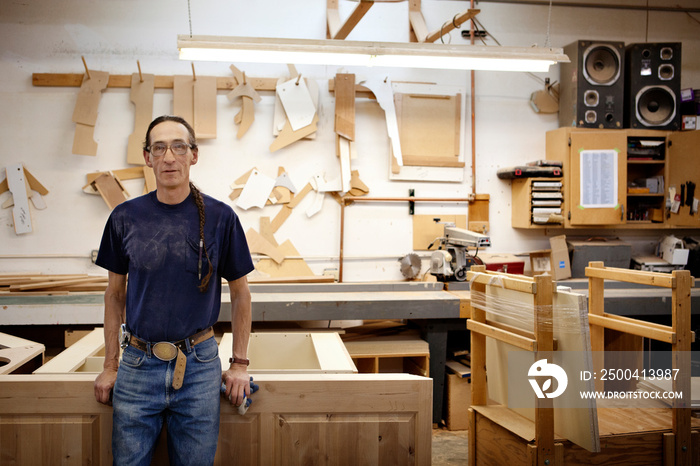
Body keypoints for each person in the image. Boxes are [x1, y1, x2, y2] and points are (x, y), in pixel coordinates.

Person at [93, 115, 254, 465]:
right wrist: (110, 365)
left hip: (199, 367)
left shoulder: (221, 218)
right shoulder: (124, 217)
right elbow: (114, 295)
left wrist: (239, 363)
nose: (169, 157)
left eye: (179, 147)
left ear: (193, 155)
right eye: (159, 148)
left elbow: (241, 293)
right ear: (148, 157)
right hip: (136, 366)